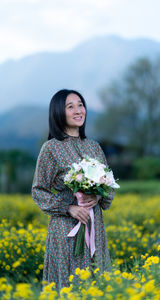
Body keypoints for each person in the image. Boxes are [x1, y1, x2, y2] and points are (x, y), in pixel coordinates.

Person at [31, 89, 115, 291]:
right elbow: (38, 190)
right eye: (71, 106)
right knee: (70, 285)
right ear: (59, 112)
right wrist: (68, 207)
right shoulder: (51, 148)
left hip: (94, 226)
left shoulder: (94, 146)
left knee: (97, 283)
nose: (79, 110)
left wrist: (97, 195)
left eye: (80, 104)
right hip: (65, 228)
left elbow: (109, 185)